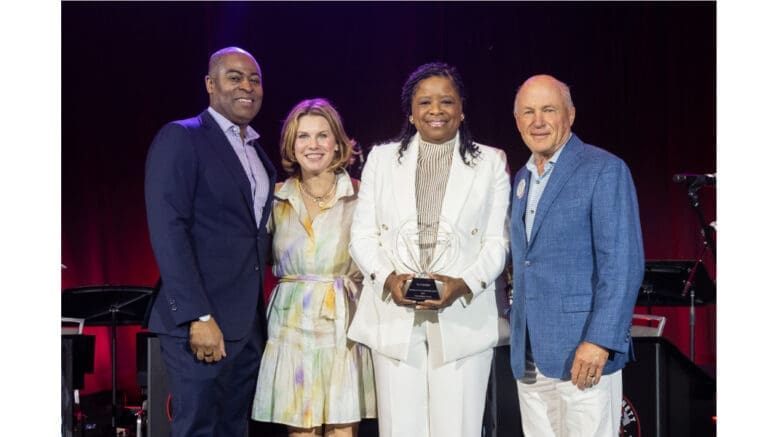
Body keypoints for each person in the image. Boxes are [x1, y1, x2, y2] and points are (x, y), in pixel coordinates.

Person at [347, 62, 511, 437]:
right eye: (425, 102)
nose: (436, 110)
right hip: (393, 316)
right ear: (410, 111)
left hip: (463, 317)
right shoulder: (382, 160)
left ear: (462, 109)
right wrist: (388, 280)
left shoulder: (490, 162)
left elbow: (498, 242)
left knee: (458, 429)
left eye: (446, 101)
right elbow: (362, 236)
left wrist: (462, 284)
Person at [144, 46, 276, 437]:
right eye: (234, 77)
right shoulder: (182, 137)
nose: (247, 86)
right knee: (198, 429)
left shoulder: (257, 152)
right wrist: (197, 316)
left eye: (254, 79)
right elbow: (169, 230)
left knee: (234, 429)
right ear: (210, 84)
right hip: (200, 323)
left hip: (247, 325)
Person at [508, 74, 644, 436]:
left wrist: (600, 341)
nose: (538, 121)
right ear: (517, 120)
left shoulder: (603, 169)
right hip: (530, 358)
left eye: (548, 110)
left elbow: (623, 266)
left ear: (569, 115)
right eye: (528, 112)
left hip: (584, 354)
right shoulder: (521, 179)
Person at [251, 98, 377, 436]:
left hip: (343, 325)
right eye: (303, 136)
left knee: (341, 427)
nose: (313, 145)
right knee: (300, 430)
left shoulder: (361, 196)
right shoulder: (275, 197)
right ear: (292, 144)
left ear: (338, 142)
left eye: (322, 135)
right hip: (291, 326)